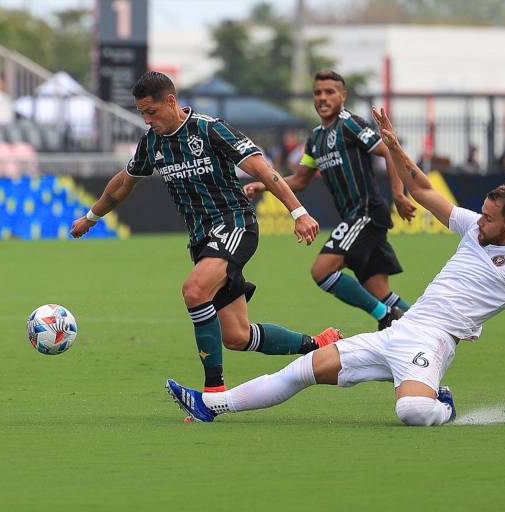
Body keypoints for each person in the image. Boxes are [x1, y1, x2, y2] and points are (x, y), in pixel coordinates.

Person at [165, 106, 505, 430]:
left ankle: (442, 403)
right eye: (482, 213)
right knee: (300, 372)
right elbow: (425, 190)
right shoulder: (473, 227)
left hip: (434, 343)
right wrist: (394, 144)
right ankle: (212, 404)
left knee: (411, 412)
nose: (480, 221)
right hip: (400, 331)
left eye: (490, 218)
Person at [70, 71, 342, 392]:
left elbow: (262, 169)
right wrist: (91, 216)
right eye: (142, 113)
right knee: (237, 336)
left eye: (151, 112)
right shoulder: (152, 142)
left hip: (235, 224)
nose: (147, 120)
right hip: (202, 240)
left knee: (195, 290)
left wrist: (299, 212)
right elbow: (122, 184)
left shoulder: (210, 129)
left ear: (171, 101)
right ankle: (319, 344)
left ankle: (213, 392)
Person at [244, 70, 417, 330]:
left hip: (366, 213)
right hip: (355, 217)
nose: (322, 97)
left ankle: (385, 316)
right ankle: (428, 328)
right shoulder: (315, 139)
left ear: (342, 96)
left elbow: (390, 152)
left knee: (322, 271)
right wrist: (264, 184)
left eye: (329, 92)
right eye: (317, 92)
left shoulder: (350, 124)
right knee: (381, 292)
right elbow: (300, 179)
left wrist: (399, 195)